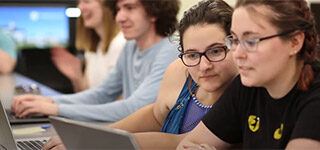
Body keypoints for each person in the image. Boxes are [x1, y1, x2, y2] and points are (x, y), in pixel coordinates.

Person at [42, 0, 237, 149]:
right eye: (192, 54)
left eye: (216, 51)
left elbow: (183, 142)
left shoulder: (245, 90)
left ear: (236, 44)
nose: (204, 66)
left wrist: (91, 142)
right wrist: (92, 136)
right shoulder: (180, 69)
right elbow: (154, 114)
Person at [178, 0, 320, 149]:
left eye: (251, 40)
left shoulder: (315, 99)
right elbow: (188, 145)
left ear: (294, 42)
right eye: (235, 40)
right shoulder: (246, 87)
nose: (237, 53)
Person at [11, 0, 180, 122]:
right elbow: (102, 94)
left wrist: (55, 109)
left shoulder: (169, 49)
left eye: (130, 8)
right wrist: (48, 101)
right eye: (118, 9)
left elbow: (136, 108)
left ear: (154, 12)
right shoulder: (131, 47)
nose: (119, 17)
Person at [51, 0, 126, 92]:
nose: (80, 7)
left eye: (87, 2)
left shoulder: (121, 43)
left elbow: (119, 100)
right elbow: (86, 95)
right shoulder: (93, 48)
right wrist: (76, 77)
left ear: (106, 6)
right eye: (79, 3)